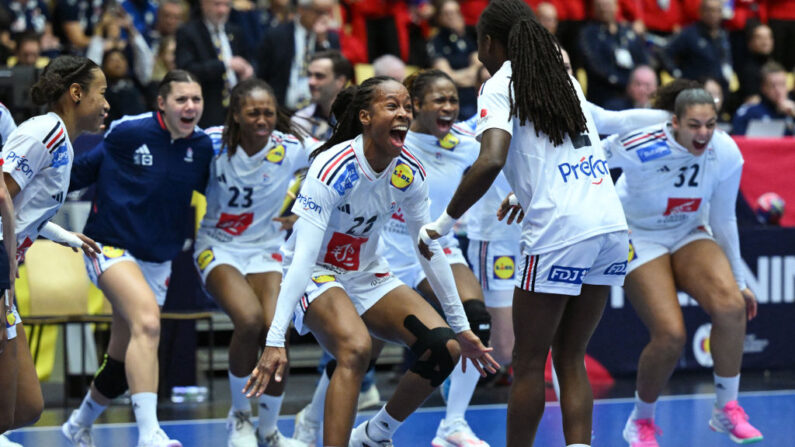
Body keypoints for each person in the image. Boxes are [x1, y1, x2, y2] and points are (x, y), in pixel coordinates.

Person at [243, 76, 498, 446]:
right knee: (356, 347)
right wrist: (275, 338)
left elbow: (428, 247)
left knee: (445, 349)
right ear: (365, 116)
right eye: (392, 106)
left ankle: (375, 434)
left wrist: (460, 326)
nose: (404, 115)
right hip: (317, 272)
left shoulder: (408, 170)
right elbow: (302, 258)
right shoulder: (334, 166)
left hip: (366, 271)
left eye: (407, 107)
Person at [419, 1, 630, 446]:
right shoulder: (565, 80)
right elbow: (569, 151)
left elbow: (491, 158)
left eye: (479, 45)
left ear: (492, 42)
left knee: (530, 362)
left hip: (559, 230)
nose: (478, 56)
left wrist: (442, 222)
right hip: (609, 223)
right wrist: (524, 193)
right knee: (570, 357)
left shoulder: (498, 85)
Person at [602, 88, 763, 446]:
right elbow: (591, 160)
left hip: (688, 229)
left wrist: (739, 281)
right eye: (694, 125)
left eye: (710, 124)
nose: (703, 133)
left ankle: (726, 410)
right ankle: (640, 421)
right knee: (671, 336)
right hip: (638, 235)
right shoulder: (642, 143)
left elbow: (724, 218)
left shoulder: (725, 151)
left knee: (732, 306)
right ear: (675, 123)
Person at [62, 70, 215, 447]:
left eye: (196, 99)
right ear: (162, 103)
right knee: (147, 323)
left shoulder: (202, 148)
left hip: (157, 259)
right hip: (109, 246)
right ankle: (150, 433)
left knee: (122, 355)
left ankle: (77, 424)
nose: (190, 107)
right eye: (181, 99)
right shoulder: (129, 132)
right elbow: (83, 170)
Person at [197, 78, 313, 447]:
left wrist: (302, 211)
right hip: (218, 247)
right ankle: (240, 417)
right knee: (248, 320)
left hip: (266, 248)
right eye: (253, 112)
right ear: (236, 114)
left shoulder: (291, 147)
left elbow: (331, 164)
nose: (263, 119)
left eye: (268, 112)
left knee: (277, 330)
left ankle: (270, 430)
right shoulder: (210, 143)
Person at [0, 55, 107, 438]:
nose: (107, 103)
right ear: (76, 93)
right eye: (102, 93)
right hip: (0, 269)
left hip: (6, 269)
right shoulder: (45, 131)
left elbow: (26, 210)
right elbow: (1, 193)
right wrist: (5, 260)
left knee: (26, 407)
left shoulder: (62, 141)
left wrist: (65, 236)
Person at [175, 0, 254, 127]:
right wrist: (225, 65)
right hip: (207, 109)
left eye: (226, 5)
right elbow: (187, 70)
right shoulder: (188, 32)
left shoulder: (235, 31)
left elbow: (249, 59)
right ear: (203, 4)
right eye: (217, 4)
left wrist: (248, 70)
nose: (222, 10)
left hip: (236, 108)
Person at [256, 0, 340, 110]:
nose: (323, 18)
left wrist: (322, 42)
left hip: (315, 112)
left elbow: (336, 73)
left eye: (326, 13)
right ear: (301, 9)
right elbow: (262, 76)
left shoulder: (329, 39)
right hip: (281, 109)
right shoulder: (276, 36)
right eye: (319, 12)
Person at [579, 0, 650, 107]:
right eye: (600, 6)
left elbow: (643, 60)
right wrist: (626, 83)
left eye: (607, 5)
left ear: (616, 7)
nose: (603, 9)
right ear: (594, 9)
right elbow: (595, 65)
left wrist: (639, 83)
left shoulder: (628, 31)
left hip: (635, 93)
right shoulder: (588, 34)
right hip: (605, 95)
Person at [292, 50, 353, 141]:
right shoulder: (300, 118)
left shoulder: (356, 121)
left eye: (319, 76)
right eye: (309, 75)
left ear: (341, 81)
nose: (311, 82)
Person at [732, 62, 795, 136]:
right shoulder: (750, 112)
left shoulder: (791, 111)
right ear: (763, 88)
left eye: (782, 84)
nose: (778, 90)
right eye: (772, 85)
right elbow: (740, 141)